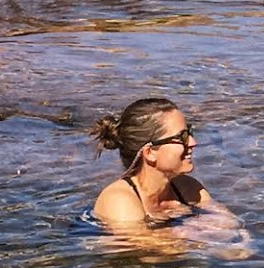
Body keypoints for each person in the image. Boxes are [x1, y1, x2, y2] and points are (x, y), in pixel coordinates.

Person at [91, 97, 224, 226]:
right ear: (150, 153)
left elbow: (230, 224)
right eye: (181, 137)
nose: (193, 142)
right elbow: (150, 246)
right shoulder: (118, 200)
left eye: (190, 132)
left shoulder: (187, 188)